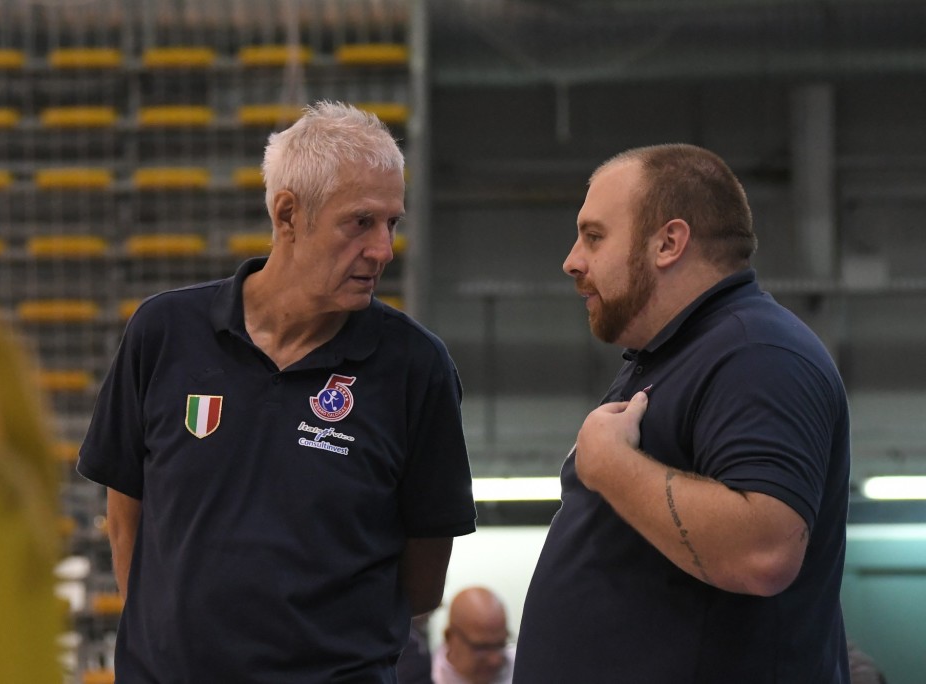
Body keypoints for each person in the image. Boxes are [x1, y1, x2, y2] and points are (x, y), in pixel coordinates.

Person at [77, 101, 477, 682]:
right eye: (360, 222)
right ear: (288, 215)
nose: (383, 250)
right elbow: (125, 521)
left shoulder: (417, 367)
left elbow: (422, 580)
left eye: (392, 223)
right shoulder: (164, 333)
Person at [513, 144, 852, 683]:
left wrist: (610, 464)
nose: (572, 260)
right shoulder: (676, 355)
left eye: (594, 236)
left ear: (669, 243)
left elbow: (763, 551)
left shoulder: (757, 351)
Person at [433, 587, 515, 684]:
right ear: (450, 638)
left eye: (501, 645)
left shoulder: (526, 668)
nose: (495, 660)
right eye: (482, 647)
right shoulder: (421, 676)